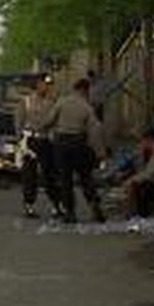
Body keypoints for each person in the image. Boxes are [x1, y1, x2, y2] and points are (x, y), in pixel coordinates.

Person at [42, 78, 106, 224]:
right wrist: (100, 152)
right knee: (85, 177)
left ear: (74, 88)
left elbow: (49, 121)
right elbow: (95, 130)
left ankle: (70, 213)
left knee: (65, 179)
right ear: (85, 90)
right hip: (79, 143)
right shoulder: (86, 107)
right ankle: (94, 204)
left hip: (61, 144)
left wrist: (46, 129)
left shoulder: (62, 102)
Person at [16, 75, 62, 218]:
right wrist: (21, 142)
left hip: (46, 141)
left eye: (49, 85)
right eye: (45, 84)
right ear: (37, 84)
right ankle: (29, 205)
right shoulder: (26, 102)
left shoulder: (53, 102)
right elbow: (19, 121)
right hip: (30, 140)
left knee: (50, 174)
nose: (47, 87)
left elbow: (57, 122)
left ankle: (56, 205)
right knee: (29, 174)